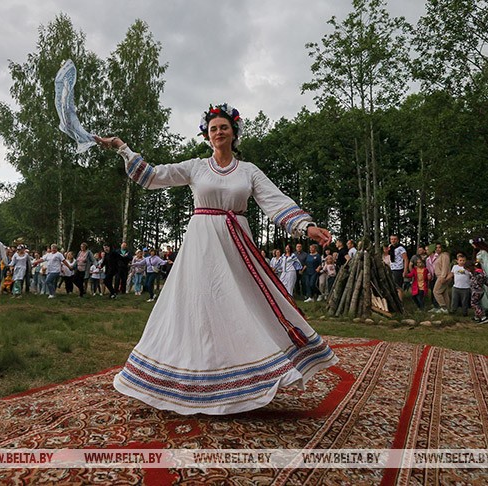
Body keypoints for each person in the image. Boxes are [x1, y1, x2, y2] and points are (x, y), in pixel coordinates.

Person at [95, 102, 336, 415]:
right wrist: (122, 148)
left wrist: (307, 226)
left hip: (237, 246)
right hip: (202, 245)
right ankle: (192, 379)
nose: (219, 132)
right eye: (213, 129)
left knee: (240, 306)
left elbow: (275, 203)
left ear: (234, 132)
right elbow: (153, 176)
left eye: (224, 127)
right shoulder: (196, 167)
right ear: (207, 136)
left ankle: (245, 380)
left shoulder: (249, 171)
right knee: (197, 307)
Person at [465, 259, 488, 323]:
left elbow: (475, 282)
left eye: (467, 269)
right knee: (478, 303)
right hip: (481, 291)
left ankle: (483, 317)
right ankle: (477, 316)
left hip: (476, 291)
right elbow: (486, 280)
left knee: (474, 304)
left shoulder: (475, 274)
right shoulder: (481, 272)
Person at [471, 237, 488, 311]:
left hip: (485, 273)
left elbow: (487, 265)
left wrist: (487, 275)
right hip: (480, 273)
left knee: (486, 290)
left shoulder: (484, 253)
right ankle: (485, 307)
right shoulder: (480, 252)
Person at [432, 244, 451, 312]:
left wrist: (443, 277)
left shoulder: (444, 255)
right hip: (440, 276)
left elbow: (445, 267)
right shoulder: (439, 256)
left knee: (436, 291)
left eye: (439, 247)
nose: (437, 249)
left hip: (443, 276)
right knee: (444, 292)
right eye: (436, 247)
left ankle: (443, 307)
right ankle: (447, 308)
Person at [387, 234, 408, 300]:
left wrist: (405, 270)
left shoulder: (401, 248)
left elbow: (406, 259)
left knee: (398, 287)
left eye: (395, 239)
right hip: (391, 268)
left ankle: (400, 302)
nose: (393, 241)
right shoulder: (390, 247)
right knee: (392, 286)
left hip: (398, 269)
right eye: (392, 239)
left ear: (397, 240)